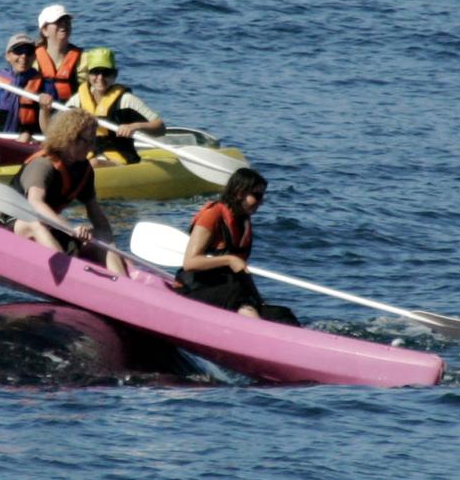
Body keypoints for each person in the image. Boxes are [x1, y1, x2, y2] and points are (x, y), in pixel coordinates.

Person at [5, 108, 126, 276]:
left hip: (50, 226)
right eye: (87, 141)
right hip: (16, 223)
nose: (92, 147)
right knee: (35, 223)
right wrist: (71, 229)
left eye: (94, 141)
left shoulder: (84, 170)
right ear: (70, 138)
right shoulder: (43, 165)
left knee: (99, 234)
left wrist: (110, 245)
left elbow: (96, 214)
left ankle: (123, 282)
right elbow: (35, 203)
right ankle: (68, 276)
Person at [175, 168, 300, 326]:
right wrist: (229, 259)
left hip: (226, 291)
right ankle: (258, 333)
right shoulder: (212, 215)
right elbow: (190, 263)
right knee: (237, 293)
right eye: (257, 196)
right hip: (193, 290)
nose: (261, 202)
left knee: (281, 313)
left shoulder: (243, 221)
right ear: (240, 193)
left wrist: (259, 301)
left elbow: (241, 271)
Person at [40, 47, 165, 167]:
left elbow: (160, 127)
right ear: (88, 75)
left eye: (106, 73)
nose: (100, 78)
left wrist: (135, 126)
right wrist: (44, 110)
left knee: (94, 164)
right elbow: (49, 133)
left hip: (120, 161)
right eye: (95, 72)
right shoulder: (78, 100)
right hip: (86, 158)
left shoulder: (126, 100)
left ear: (115, 75)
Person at [0, 33, 53, 143]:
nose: (24, 56)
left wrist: (44, 109)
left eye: (28, 52)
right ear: (8, 56)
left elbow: (49, 131)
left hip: (31, 143)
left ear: (34, 56)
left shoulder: (45, 85)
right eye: (18, 51)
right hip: (0, 141)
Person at [34, 4, 87, 102]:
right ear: (45, 30)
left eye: (67, 21)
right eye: (58, 22)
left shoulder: (83, 58)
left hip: (70, 114)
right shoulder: (32, 58)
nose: (64, 25)